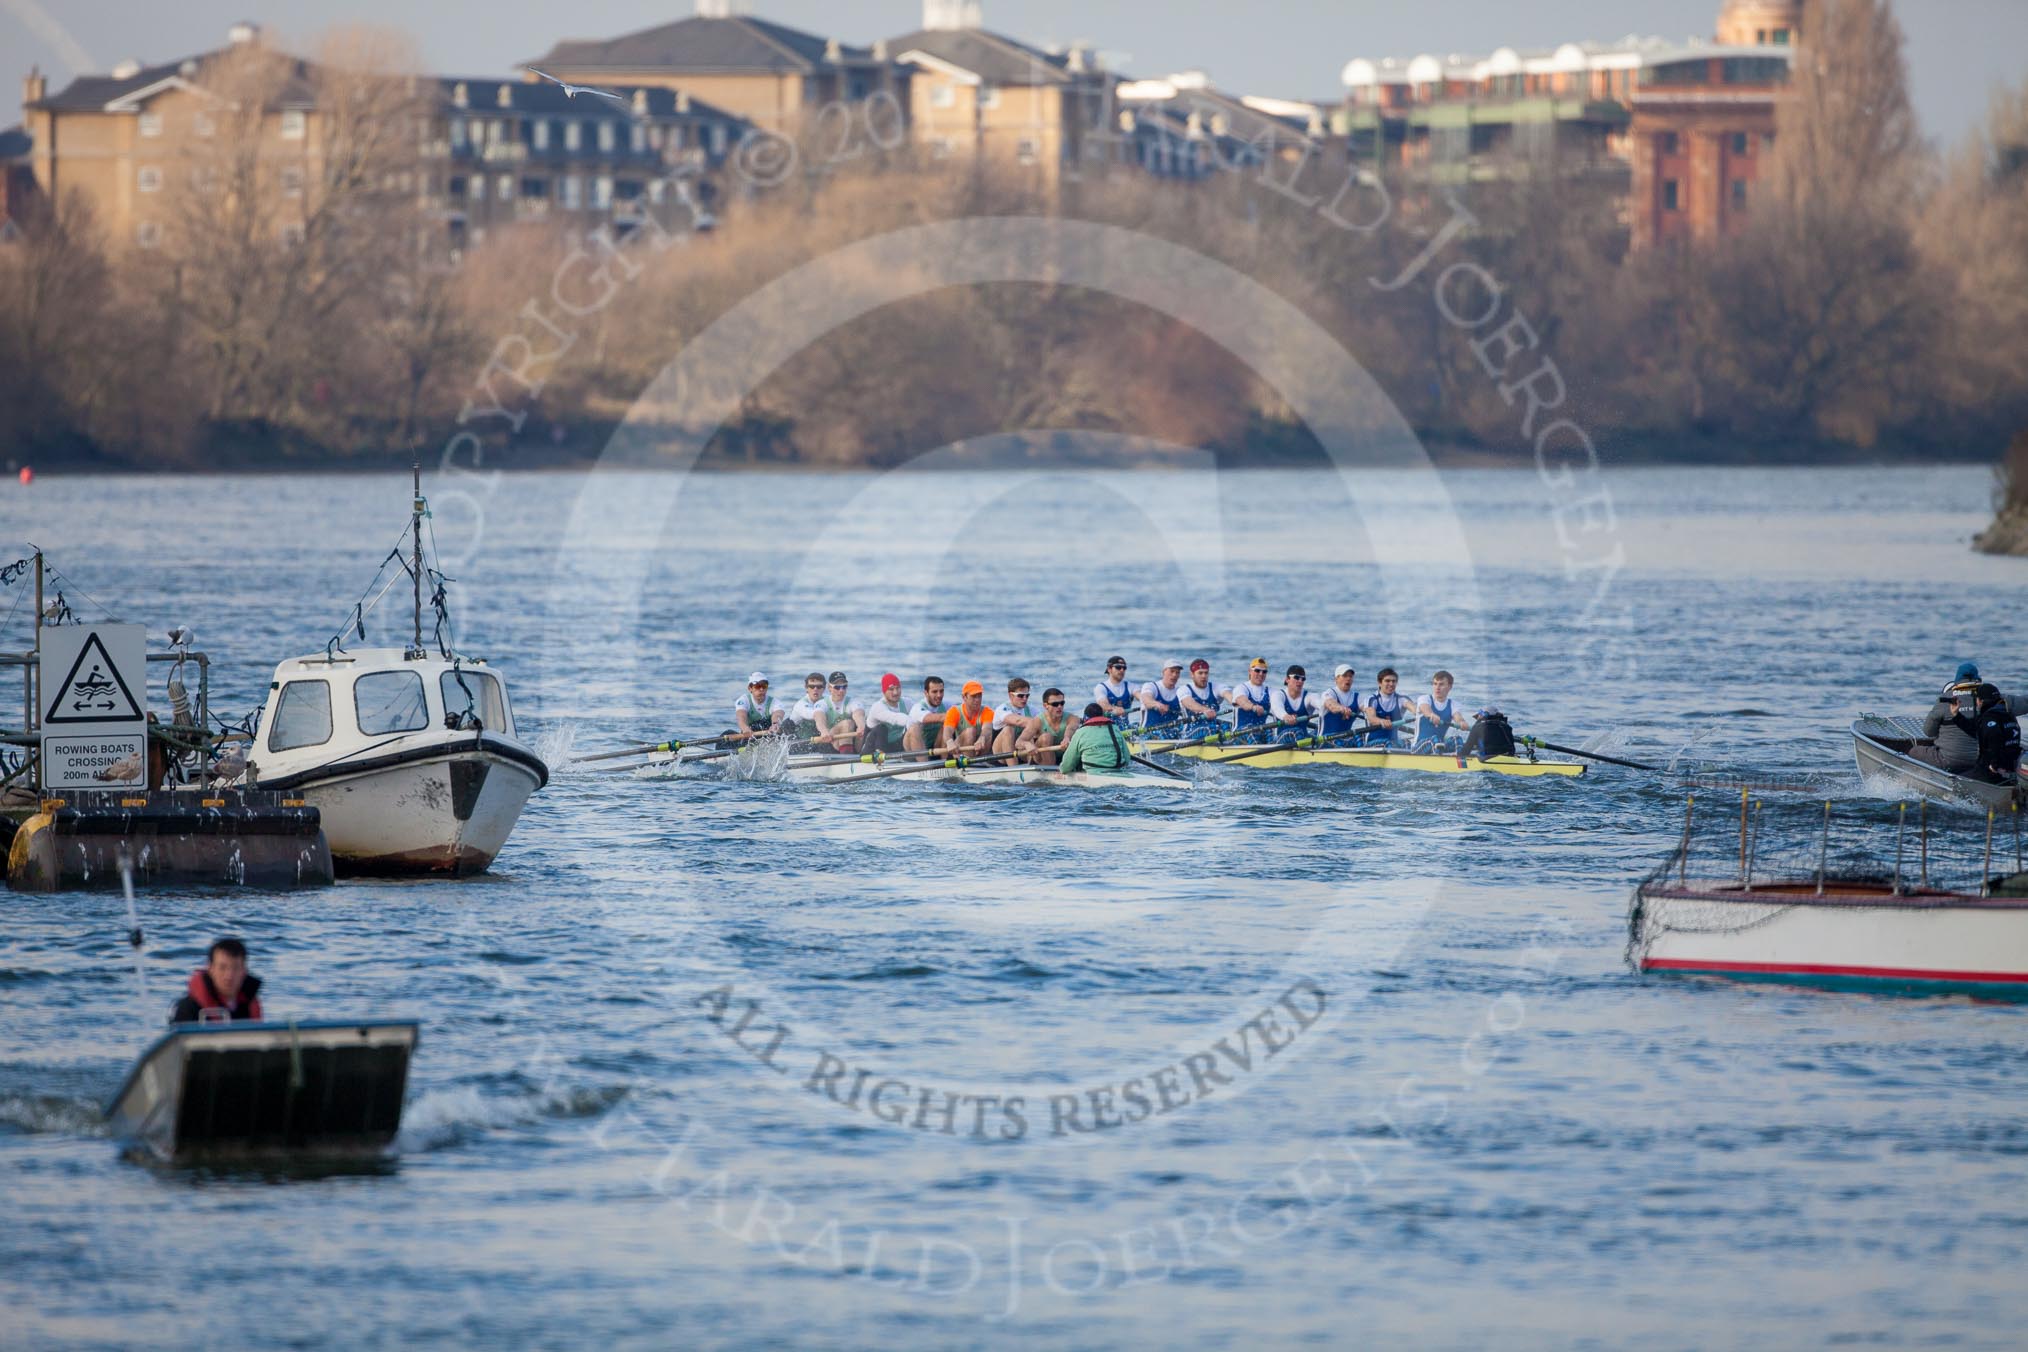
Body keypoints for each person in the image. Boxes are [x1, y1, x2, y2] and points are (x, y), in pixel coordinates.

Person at [1919, 668, 2025, 774]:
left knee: (1913, 751)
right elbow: (1975, 731)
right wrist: (1956, 716)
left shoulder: (1945, 699)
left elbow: (1929, 732)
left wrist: (1995, 765)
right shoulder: (2003, 702)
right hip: (1988, 763)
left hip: (1960, 762)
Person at [170, 937, 263, 1025]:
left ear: (244, 971)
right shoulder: (189, 1008)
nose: (229, 976)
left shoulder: (251, 1005)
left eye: (235, 968)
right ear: (210, 969)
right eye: (222, 968)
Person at [1955, 683, 2025, 783]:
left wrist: (1995, 764)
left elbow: (1994, 737)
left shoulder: (1989, 718)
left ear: (1981, 701)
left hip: (1990, 772)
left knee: (1956, 781)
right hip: (2010, 768)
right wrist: (1956, 716)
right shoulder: (2008, 714)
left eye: (1977, 699)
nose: (1976, 702)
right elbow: (1977, 730)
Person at [1060, 702, 1132, 774]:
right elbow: (1127, 759)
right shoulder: (1115, 728)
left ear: (1085, 718)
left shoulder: (1080, 732)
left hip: (1093, 773)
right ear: (1102, 716)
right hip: (1118, 771)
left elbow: (1066, 768)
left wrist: (1061, 770)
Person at [1415, 670, 1473, 750]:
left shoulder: (1453, 704)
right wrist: (1431, 715)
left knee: (1457, 739)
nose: (1437, 687)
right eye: (1435, 684)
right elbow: (1425, 709)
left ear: (1449, 687)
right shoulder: (1424, 699)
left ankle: (1460, 760)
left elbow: (1458, 717)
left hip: (1439, 745)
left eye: (1441, 684)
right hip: (1418, 747)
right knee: (1434, 740)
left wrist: (1462, 722)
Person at [1019, 687, 1076, 765]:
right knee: (1046, 737)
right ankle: (1050, 768)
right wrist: (1027, 744)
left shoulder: (1072, 718)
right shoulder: (1037, 721)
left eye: (1062, 703)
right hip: (1039, 759)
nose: (1059, 706)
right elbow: (1019, 742)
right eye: (1055, 704)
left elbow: (1071, 729)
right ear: (1046, 705)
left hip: (1062, 757)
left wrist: (1067, 738)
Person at [813, 671, 864, 754]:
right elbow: (819, 718)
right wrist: (823, 731)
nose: (841, 690)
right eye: (837, 687)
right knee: (847, 723)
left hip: (851, 742)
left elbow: (859, 714)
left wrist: (861, 726)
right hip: (829, 741)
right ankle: (847, 758)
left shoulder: (854, 702)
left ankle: (850, 755)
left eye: (844, 687)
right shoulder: (822, 704)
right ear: (829, 688)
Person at [1268, 665, 1322, 743]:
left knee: (1324, 731)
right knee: (1296, 732)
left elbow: (1320, 704)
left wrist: (1332, 708)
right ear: (1287, 679)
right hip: (1280, 739)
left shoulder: (1309, 696)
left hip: (1302, 738)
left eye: (1303, 679)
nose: (1300, 681)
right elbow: (1277, 708)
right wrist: (1285, 716)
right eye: (1296, 677)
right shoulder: (1278, 695)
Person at [1361, 667, 1414, 747]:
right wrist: (1382, 721)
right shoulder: (1372, 699)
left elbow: (1415, 709)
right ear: (1379, 682)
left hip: (1392, 742)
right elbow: (1372, 719)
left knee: (1407, 743)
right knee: (1389, 743)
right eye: (1387, 681)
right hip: (1372, 743)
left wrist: (1426, 714)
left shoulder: (1402, 699)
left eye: (1394, 681)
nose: (1391, 684)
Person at [941, 680, 996, 756]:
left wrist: (982, 737)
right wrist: (949, 741)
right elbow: (948, 730)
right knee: (970, 731)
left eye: (979, 696)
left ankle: (981, 761)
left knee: (987, 735)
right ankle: (968, 763)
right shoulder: (954, 711)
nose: (977, 700)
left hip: (981, 752)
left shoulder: (987, 711)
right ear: (964, 697)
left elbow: (987, 728)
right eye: (973, 696)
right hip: (959, 751)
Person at [863, 673, 912, 755]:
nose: (896, 692)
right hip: (870, 752)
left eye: (898, 688)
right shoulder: (878, 707)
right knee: (882, 728)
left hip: (892, 746)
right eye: (891, 689)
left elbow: (917, 713)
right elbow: (895, 718)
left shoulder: (907, 702)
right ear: (884, 691)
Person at [992, 678, 1041, 756]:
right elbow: (1018, 721)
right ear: (1011, 695)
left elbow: (1045, 722)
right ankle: (1013, 766)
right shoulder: (1002, 709)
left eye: (1027, 695)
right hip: (1000, 755)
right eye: (1021, 696)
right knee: (1009, 728)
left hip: (1021, 752)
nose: (1024, 699)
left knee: (1035, 731)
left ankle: (1031, 762)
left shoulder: (1031, 709)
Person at [1138, 659, 1187, 731]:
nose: (1174, 675)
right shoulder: (1151, 686)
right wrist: (1157, 704)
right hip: (1148, 733)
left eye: (1177, 672)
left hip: (1171, 733)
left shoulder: (1180, 691)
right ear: (1163, 672)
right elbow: (1146, 700)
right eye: (1172, 671)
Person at [905, 676, 950, 754]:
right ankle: (923, 764)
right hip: (913, 750)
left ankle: (944, 760)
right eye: (935, 692)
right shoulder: (918, 708)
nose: (939, 695)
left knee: (947, 724)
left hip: (935, 747)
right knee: (914, 729)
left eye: (941, 691)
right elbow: (935, 717)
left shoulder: (946, 704)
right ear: (926, 693)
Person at [732, 672, 784, 740]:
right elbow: (741, 717)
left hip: (768, 735)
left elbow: (778, 715)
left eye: (764, 686)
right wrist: (745, 728)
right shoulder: (743, 701)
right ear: (750, 688)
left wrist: (775, 724)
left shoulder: (775, 702)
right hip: (749, 735)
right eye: (757, 686)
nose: (761, 689)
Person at [1230, 658, 1273, 737]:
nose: (1261, 674)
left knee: (1271, 733)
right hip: (1239, 734)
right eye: (1257, 670)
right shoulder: (1241, 688)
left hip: (1260, 730)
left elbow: (1278, 704)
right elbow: (1243, 702)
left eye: (1264, 672)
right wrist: (1253, 707)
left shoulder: (1270, 691)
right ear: (1249, 671)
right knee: (1253, 731)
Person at [1319, 664, 1363, 740]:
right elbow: (1331, 705)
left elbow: (1368, 708)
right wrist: (1341, 708)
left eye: (1350, 676)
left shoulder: (1358, 697)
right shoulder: (1329, 693)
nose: (1348, 678)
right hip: (1325, 741)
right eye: (1345, 676)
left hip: (1345, 740)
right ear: (1336, 679)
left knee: (1361, 738)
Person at [1179, 659, 1226, 725]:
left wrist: (1237, 702)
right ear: (1192, 674)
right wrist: (1205, 710)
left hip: (1213, 731)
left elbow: (1229, 695)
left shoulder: (1216, 687)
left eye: (1206, 673)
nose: (1204, 676)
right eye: (1200, 673)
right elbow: (1189, 703)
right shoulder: (1184, 689)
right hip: (1190, 733)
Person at [787, 672, 828, 742]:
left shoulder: (828, 701)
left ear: (824, 688)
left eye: (819, 687)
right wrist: (824, 731)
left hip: (818, 739)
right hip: (799, 742)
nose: (815, 689)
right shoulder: (800, 704)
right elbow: (815, 714)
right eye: (812, 686)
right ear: (806, 688)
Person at [1093, 657, 1134, 722]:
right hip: (1106, 727)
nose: (1122, 670)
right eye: (1118, 667)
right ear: (1109, 669)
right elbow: (1102, 703)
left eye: (1124, 668)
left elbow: (1141, 696)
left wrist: (1149, 701)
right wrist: (1113, 708)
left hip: (1126, 728)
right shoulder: (1100, 687)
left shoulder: (1131, 686)